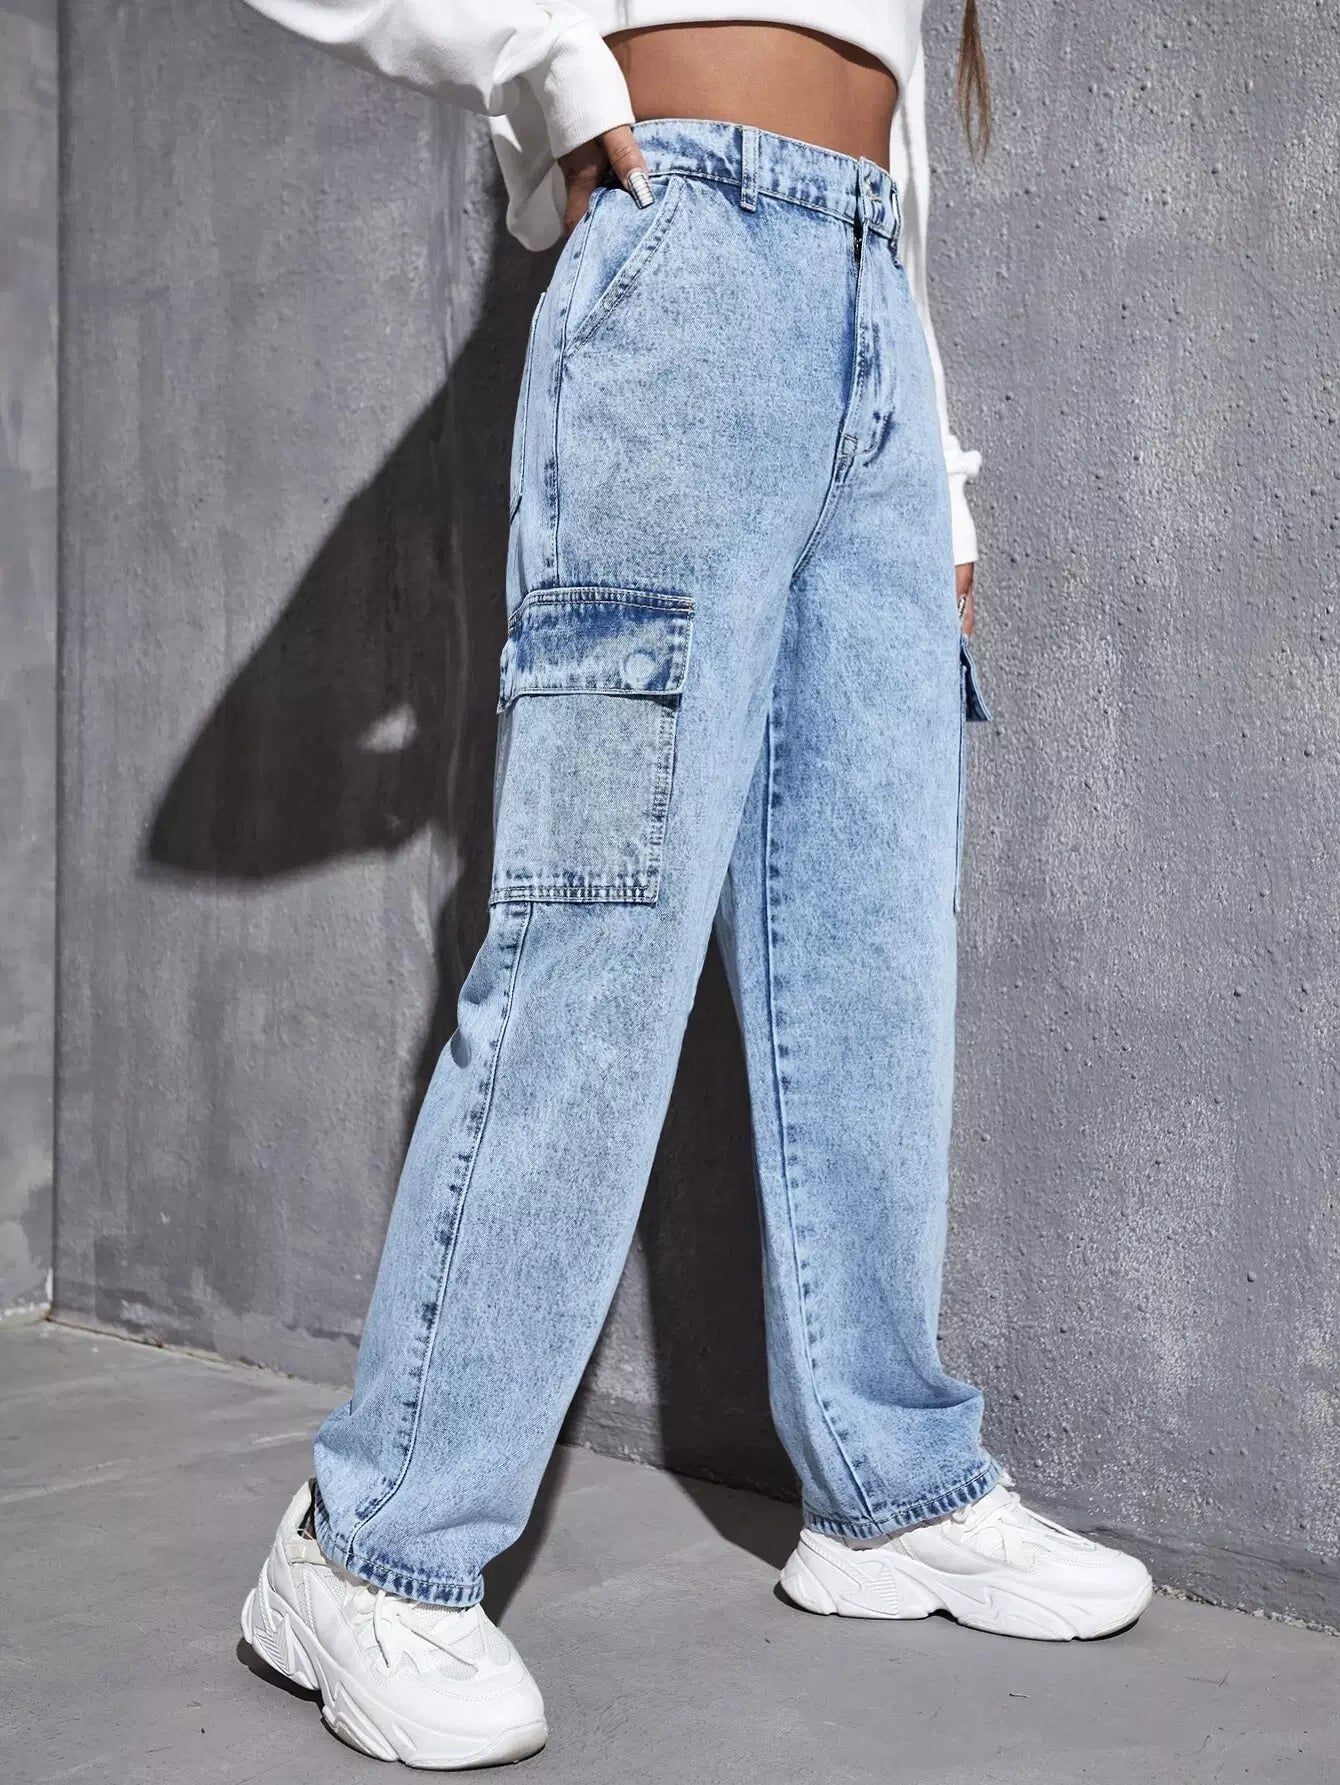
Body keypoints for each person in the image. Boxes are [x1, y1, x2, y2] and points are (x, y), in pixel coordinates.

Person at [235, 2, 1153, 1768]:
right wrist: (553, 70)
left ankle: (888, 1486)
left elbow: (889, 135)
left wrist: (937, 475)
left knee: (874, 959)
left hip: (873, 338)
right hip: (689, 270)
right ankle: (369, 1548)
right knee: (597, 935)